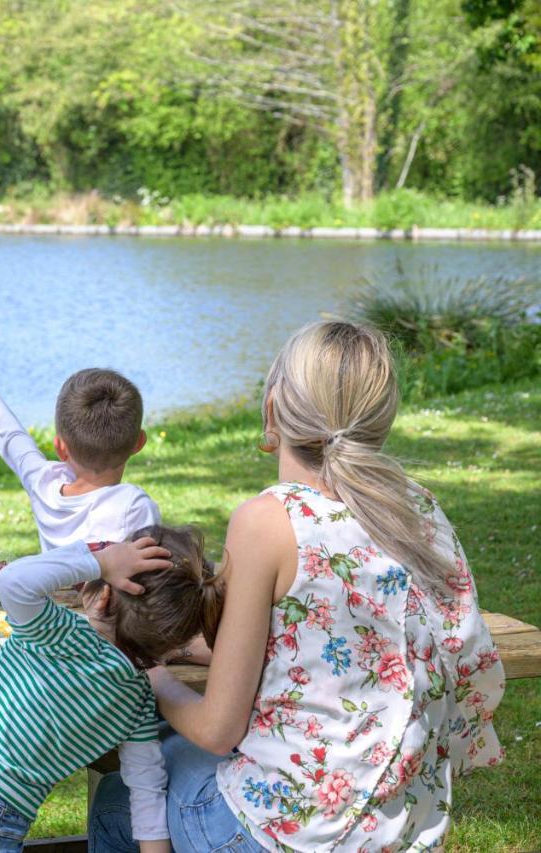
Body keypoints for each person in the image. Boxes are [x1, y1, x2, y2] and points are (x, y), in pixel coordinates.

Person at [88, 321, 505, 852]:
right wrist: (182, 651)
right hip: (399, 830)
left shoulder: (267, 521)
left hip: (297, 837)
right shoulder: (416, 507)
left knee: (120, 799)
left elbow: (219, 730)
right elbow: (317, 649)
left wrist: (153, 678)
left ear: (273, 408)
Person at [0, 527, 225, 853]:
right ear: (171, 642)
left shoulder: (58, 634)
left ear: (103, 597)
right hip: (6, 823)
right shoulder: (139, 704)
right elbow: (147, 795)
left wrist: (98, 561)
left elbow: (14, 580)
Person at [0, 336, 159, 552]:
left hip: (51, 592)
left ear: (60, 448)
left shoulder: (43, 484)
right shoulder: (134, 506)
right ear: (139, 443)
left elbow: (4, 426)